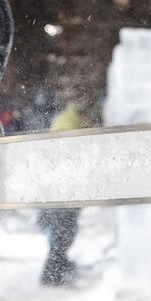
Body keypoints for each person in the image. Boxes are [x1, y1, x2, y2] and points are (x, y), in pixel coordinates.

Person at [38, 101, 89, 286]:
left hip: (60, 189)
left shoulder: (67, 120)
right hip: (62, 190)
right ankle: (51, 275)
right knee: (63, 233)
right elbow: (72, 156)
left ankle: (58, 267)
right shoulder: (71, 124)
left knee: (63, 232)